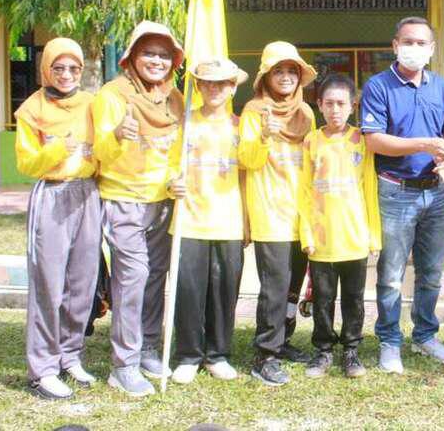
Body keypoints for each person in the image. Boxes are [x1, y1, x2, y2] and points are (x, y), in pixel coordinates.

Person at [360, 16, 444, 374]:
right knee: (391, 274)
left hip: (435, 193)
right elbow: (373, 140)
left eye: (421, 43)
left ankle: (425, 335)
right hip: (396, 191)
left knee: (431, 272)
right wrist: (423, 144)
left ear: (432, 49)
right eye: (408, 42)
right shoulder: (378, 86)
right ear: (395, 45)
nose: (414, 48)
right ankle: (390, 340)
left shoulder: (440, 86)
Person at [93, 21, 185, 397]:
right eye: (149, 53)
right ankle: (123, 365)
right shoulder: (112, 95)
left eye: (164, 55)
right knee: (132, 278)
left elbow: (178, 150)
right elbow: (99, 151)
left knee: (155, 277)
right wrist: (117, 135)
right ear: (131, 57)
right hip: (124, 199)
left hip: (162, 201)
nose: (157, 61)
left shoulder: (175, 99)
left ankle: (147, 347)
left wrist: (177, 178)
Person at [15, 38, 100, 400]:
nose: (66, 75)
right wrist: (54, 149)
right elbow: (26, 163)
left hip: (88, 193)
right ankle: (43, 369)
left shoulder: (92, 104)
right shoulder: (32, 109)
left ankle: (70, 355)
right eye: (59, 68)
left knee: (82, 282)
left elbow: (105, 147)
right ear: (46, 69)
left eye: (73, 68)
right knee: (48, 284)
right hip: (52, 194)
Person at [167, 58, 250, 385]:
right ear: (198, 87)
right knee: (188, 290)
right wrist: (171, 182)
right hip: (190, 219)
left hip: (228, 219)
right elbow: (168, 163)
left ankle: (218, 354)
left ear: (232, 88)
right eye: (208, 83)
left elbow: (248, 174)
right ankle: (188, 354)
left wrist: (247, 220)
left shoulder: (241, 127)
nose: (215, 89)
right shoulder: (184, 124)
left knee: (224, 290)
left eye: (223, 83)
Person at [239, 41, 317, 386]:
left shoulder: (306, 114)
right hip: (270, 212)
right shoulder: (254, 111)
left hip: (301, 213)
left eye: (291, 71)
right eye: (278, 71)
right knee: (275, 287)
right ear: (265, 77)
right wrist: (264, 137)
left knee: (292, 287)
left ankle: (283, 340)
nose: (286, 77)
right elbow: (247, 160)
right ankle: (265, 355)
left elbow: (312, 160)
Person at [300, 74, 381, 379]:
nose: (335, 110)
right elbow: (304, 191)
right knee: (323, 298)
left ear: (353, 106)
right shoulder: (311, 141)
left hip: (354, 237)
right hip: (322, 238)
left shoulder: (362, 140)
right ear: (319, 105)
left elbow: (369, 188)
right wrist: (306, 233)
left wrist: (373, 235)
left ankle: (351, 350)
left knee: (353, 299)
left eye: (341, 103)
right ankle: (322, 350)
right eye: (329, 103)